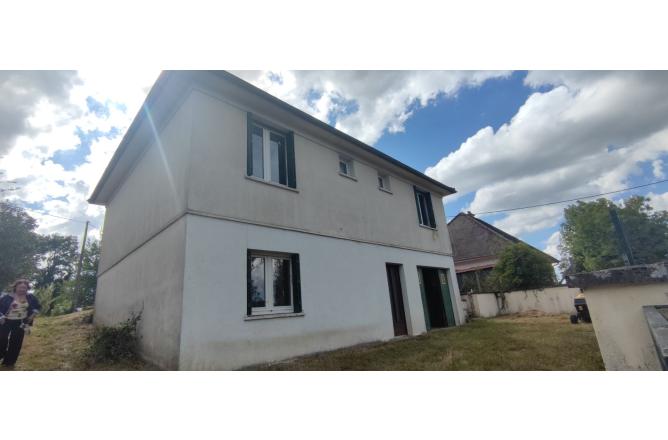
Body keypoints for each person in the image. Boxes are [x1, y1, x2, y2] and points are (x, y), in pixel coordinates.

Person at [0, 279, 41, 368]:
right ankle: (1, 354)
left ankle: (9, 362)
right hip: (5, 321)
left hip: (21, 322)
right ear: (15, 287)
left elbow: (37, 307)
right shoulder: (6, 297)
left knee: (16, 342)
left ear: (27, 288)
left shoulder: (31, 297)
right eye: (20, 287)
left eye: (25, 287)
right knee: (2, 339)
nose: (22, 289)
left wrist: (32, 315)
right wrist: (1, 316)